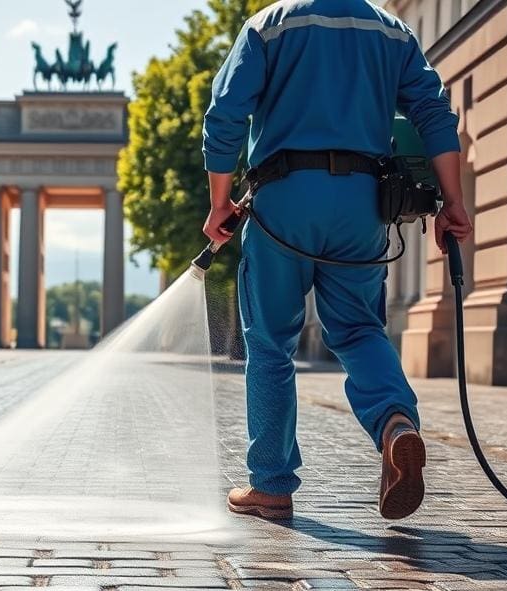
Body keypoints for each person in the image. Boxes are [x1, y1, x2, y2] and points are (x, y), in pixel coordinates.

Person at [202, 0, 472, 521]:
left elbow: (226, 113)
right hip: (361, 205)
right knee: (359, 330)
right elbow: (434, 113)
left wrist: (219, 202)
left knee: (271, 341)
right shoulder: (391, 30)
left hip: (282, 201)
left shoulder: (268, 25)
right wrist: (453, 201)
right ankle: (396, 424)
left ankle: (272, 484)